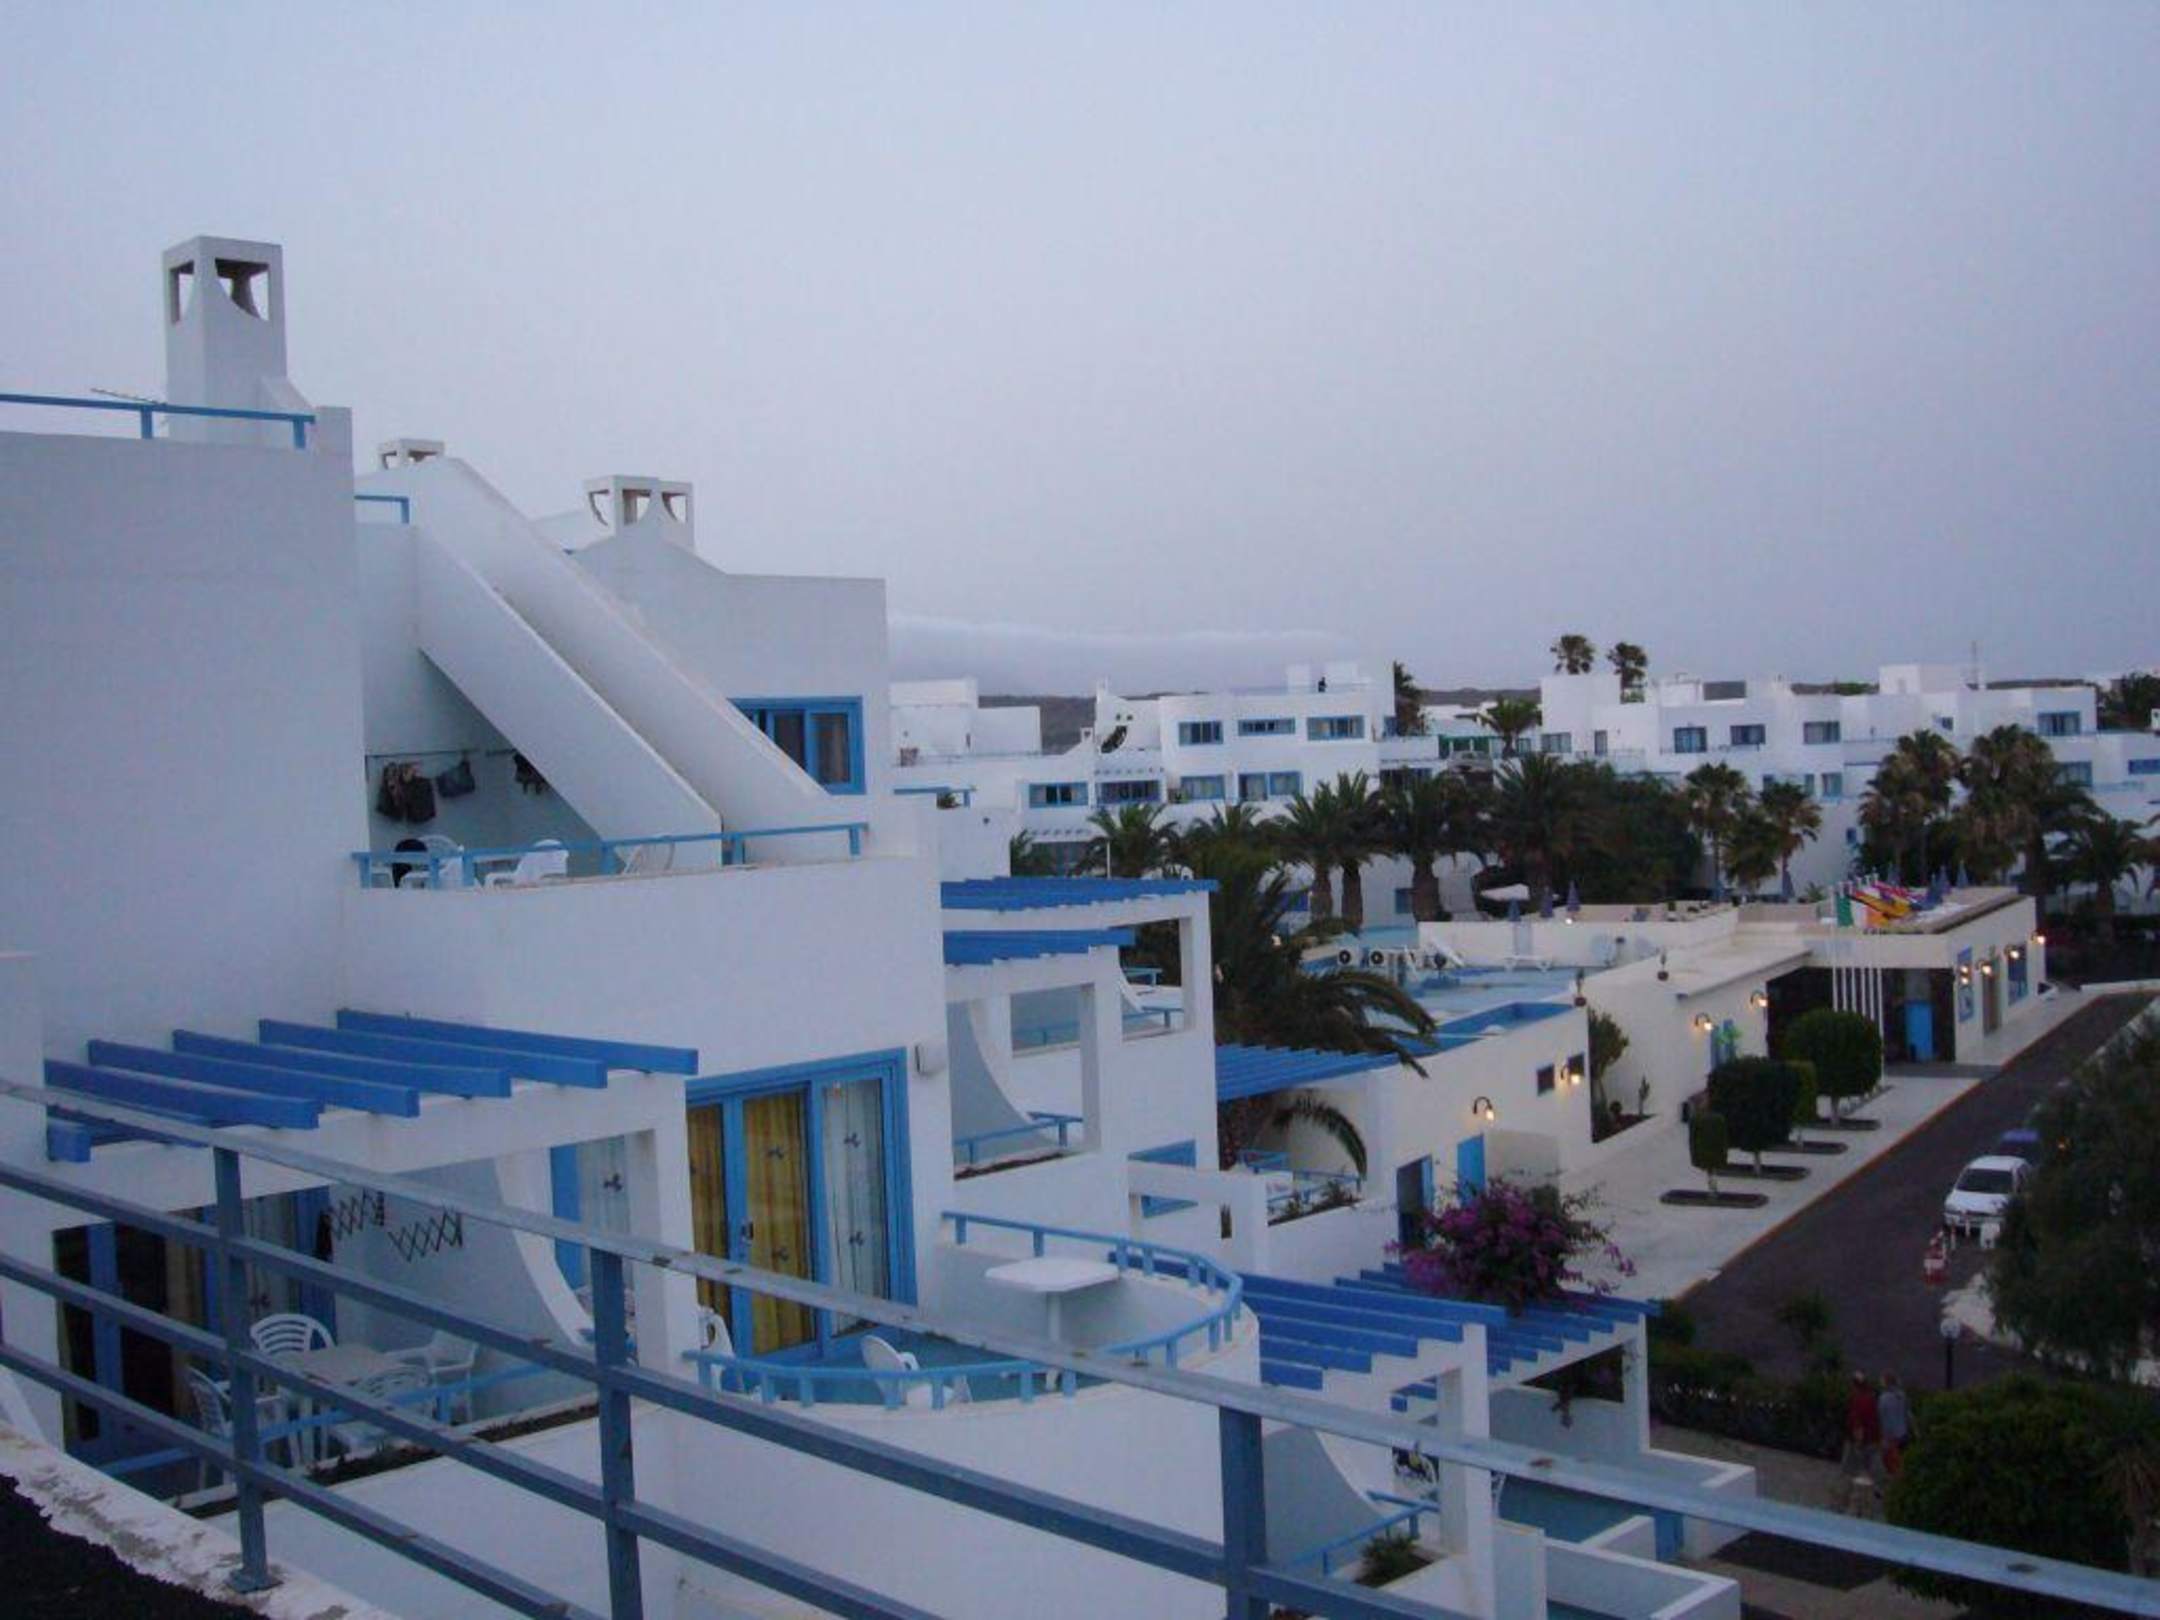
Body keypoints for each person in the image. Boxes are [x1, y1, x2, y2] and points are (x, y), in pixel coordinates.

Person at [1842, 1370, 1882, 1486]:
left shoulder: (1858, 1399)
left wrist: (1858, 1439)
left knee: (1853, 1465)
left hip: (1860, 1438)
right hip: (1872, 1437)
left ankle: (1849, 1486)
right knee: (1870, 1461)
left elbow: (1857, 1421)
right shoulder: (1871, 1398)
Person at [1877, 1372, 1911, 1476]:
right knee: (1900, 1460)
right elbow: (1907, 1414)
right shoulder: (1902, 1395)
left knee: (1891, 1461)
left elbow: (1883, 1418)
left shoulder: (1883, 1398)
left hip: (1891, 1436)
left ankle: (1895, 1480)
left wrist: (1884, 1437)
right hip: (1903, 1433)